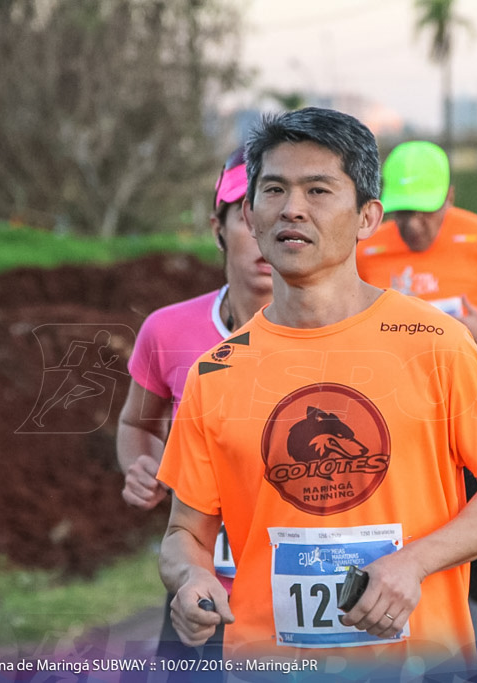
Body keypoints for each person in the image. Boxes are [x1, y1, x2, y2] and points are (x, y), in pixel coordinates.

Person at [156, 108, 477, 671]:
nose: (293, 207)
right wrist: (191, 578)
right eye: (274, 190)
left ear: (367, 217)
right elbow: (184, 534)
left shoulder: (433, 342)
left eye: (318, 189)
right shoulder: (217, 371)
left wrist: (414, 563)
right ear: (250, 213)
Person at [356, 141, 477, 658]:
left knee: (474, 572)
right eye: (401, 213)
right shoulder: (368, 248)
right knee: (398, 555)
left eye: (424, 212)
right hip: (396, 430)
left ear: (450, 198)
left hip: (475, 430)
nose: (413, 225)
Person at [117, 149, 274, 660]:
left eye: (277, 213)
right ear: (219, 228)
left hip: (298, 601)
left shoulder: (339, 337)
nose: (265, 231)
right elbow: (136, 422)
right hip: (199, 593)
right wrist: (140, 467)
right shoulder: (167, 329)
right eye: (248, 216)